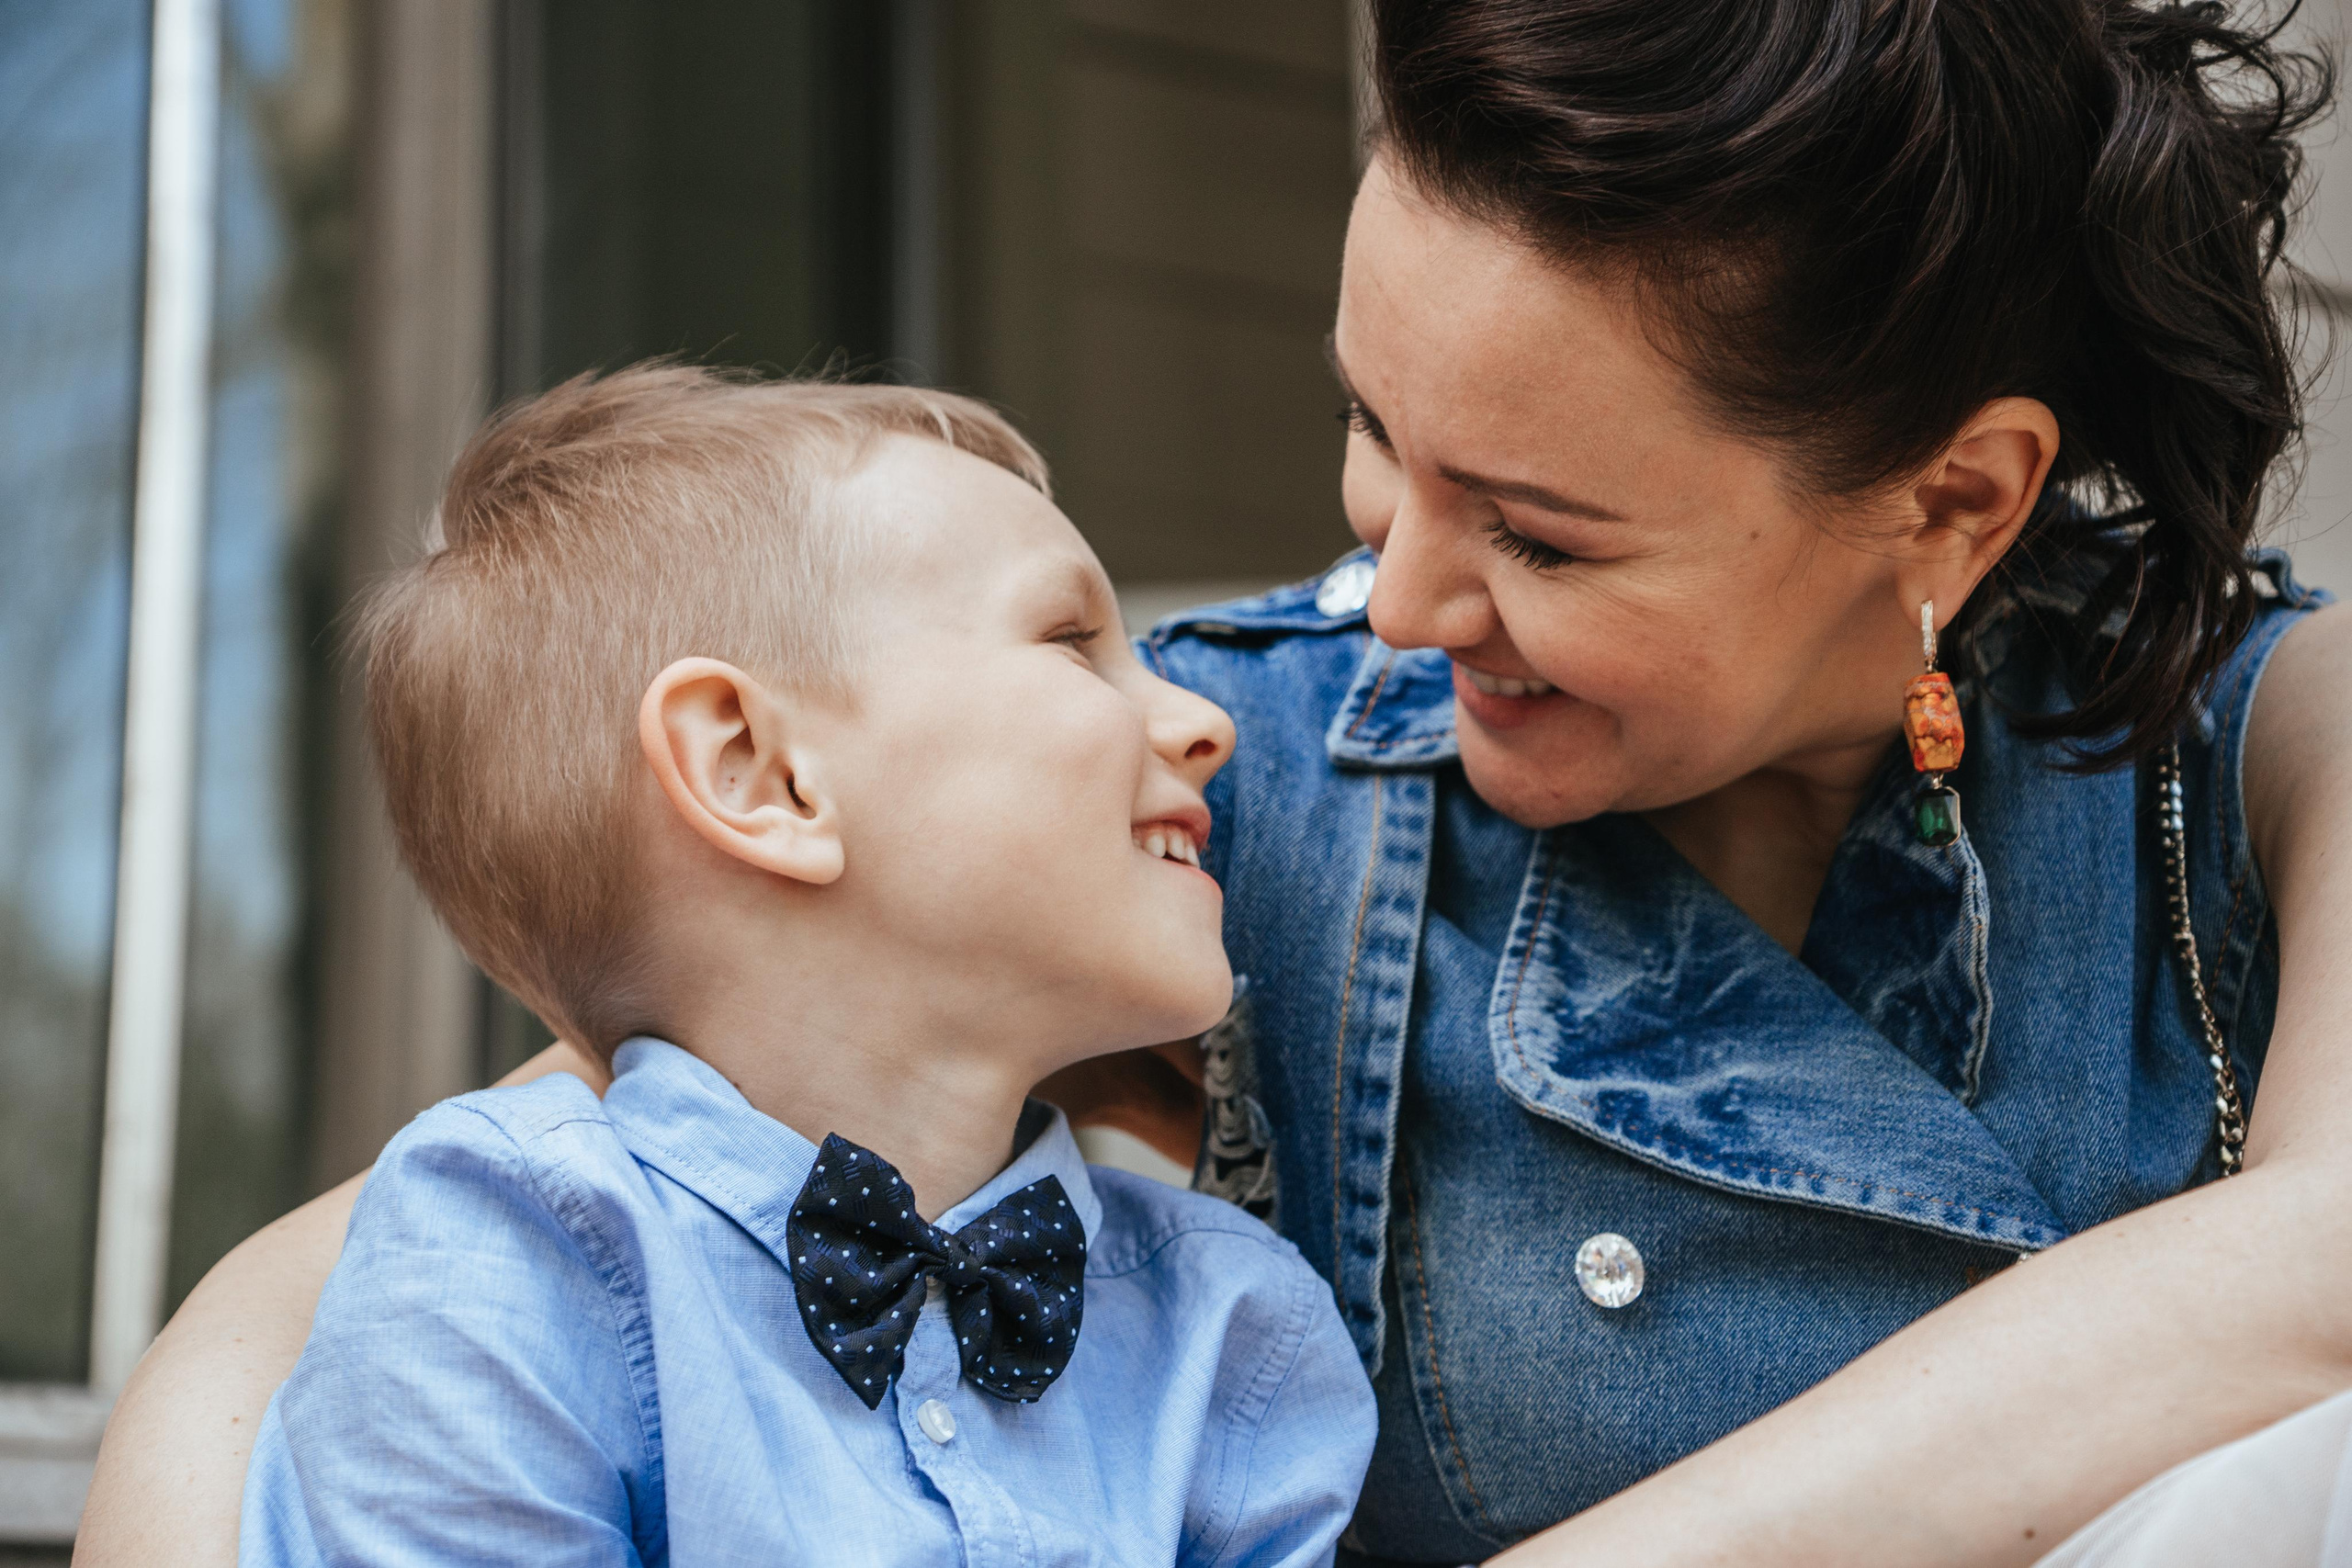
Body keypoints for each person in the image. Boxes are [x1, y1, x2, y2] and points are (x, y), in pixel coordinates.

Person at [74, 1, 2352, 1564]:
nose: (1390, 596)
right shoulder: (1206, 795)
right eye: (1379, 436)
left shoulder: (2272, 752)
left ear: (1952, 506)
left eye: (1540, 533)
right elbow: (341, 1291)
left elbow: (2320, 1278)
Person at [227, 367, 1375, 1566]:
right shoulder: (511, 1260)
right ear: (757, 774)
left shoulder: (1234, 1331)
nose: (1206, 722)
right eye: (1074, 645)